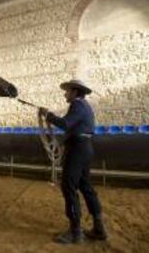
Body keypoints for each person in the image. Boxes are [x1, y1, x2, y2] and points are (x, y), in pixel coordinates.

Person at [39, 79, 107, 244]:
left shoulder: (77, 105)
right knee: (85, 186)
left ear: (75, 92)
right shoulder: (85, 106)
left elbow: (65, 124)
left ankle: (75, 231)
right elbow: (74, 127)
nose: (65, 93)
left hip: (77, 150)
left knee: (68, 186)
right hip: (84, 148)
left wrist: (48, 115)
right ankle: (99, 227)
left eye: (68, 90)